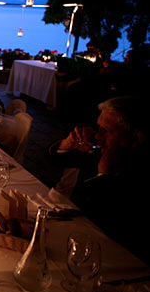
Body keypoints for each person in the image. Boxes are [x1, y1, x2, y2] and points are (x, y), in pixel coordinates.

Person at [49, 96, 149, 264]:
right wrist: (67, 144)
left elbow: (98, 213)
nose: (97, 135)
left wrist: (104, 176)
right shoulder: (101, 150)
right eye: (98, 127)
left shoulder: (134, 170)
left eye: (106, 130)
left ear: (136, 138)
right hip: (74, 238)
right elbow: (54, 160)